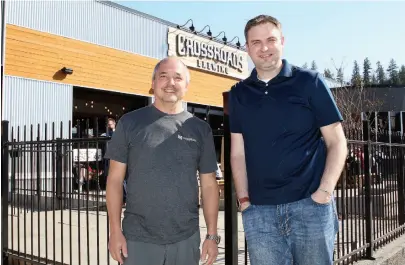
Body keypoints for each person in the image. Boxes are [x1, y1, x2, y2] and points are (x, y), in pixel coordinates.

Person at [228, 15, 348, 265]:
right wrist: (244, 200)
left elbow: (337, 142)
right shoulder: (239, 94)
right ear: (247, 47)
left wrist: (323, 193)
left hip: (310, 207)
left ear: (282, 41)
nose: (264, 48)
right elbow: (237, 152)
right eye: (256, 42)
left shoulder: (310, 82)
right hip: (260, 212)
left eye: (271, 40)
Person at [105, 56, 220, 265]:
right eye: (163, 76)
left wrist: (212, 236)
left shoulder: (200, 129)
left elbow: (210, 185)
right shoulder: (130, 123)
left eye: (178, 77)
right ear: (153, 83)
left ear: (186, 85)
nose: (170, 83)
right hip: (138, 239)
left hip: (186, 239)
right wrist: (115, 231)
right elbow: (114, 180)